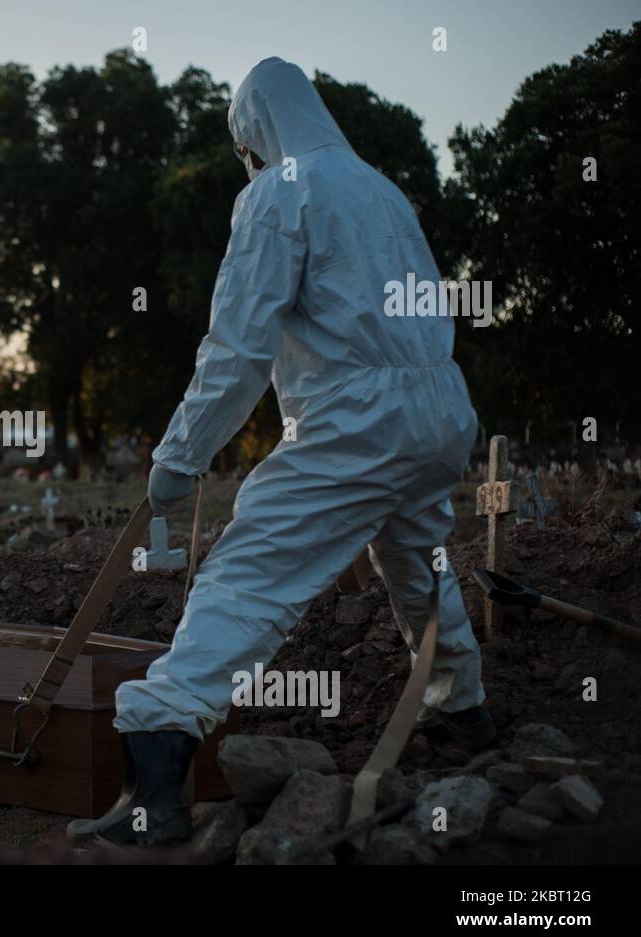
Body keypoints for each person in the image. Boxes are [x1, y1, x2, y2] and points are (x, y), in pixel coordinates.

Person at [69, 58, 493, 845]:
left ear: (255, 130)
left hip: (358, 418)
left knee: (249, 574)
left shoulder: (276, 192)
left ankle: (153, 783)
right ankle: (465, 711)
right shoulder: (383, 189)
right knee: (417, 561)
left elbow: (239, 346)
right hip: (438, 404)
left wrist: (181, 454)